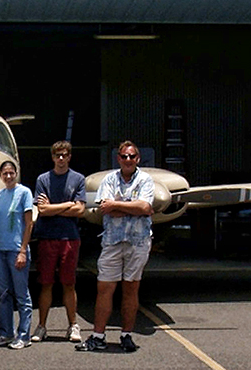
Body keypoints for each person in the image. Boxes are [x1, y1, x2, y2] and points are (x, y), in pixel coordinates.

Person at [76, 141, 154, 353]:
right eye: (124, 156)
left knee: (131, 288)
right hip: (112, 241)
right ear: (118, 158)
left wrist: (118, 205)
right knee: (105, 289)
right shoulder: (109, 180)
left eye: (131, 156)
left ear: (138, 159)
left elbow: (146, 206)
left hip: (138, 242)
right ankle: (98, 335)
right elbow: (105, 208)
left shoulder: (146, 180)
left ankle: (126, 335)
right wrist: (133, 207)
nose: (128, 160)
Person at [30, 141, 87, 343]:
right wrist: (67, 205)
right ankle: (42, 326)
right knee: (45, 283)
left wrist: (54, 207)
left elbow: (80, 210)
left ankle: (73, 325)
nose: (61, 159)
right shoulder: (43, 179)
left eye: (64, 155)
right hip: (47, 237)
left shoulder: (78, 179)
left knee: (68, 284)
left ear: (69, 157)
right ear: (52, 157)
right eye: (57, 155)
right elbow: (42, 210)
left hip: (70, 238)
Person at [0, 160, 34, 350]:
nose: (8, 176)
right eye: (4, 173)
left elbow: (29, 224)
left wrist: (23, 250)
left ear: (16, 173)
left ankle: (24, 335)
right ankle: (6, 332)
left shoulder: (24, 193)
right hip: (0, 250)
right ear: (0, 175)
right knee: (4, 295)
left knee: (22, 295)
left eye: (11, 173)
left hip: (16, 251)